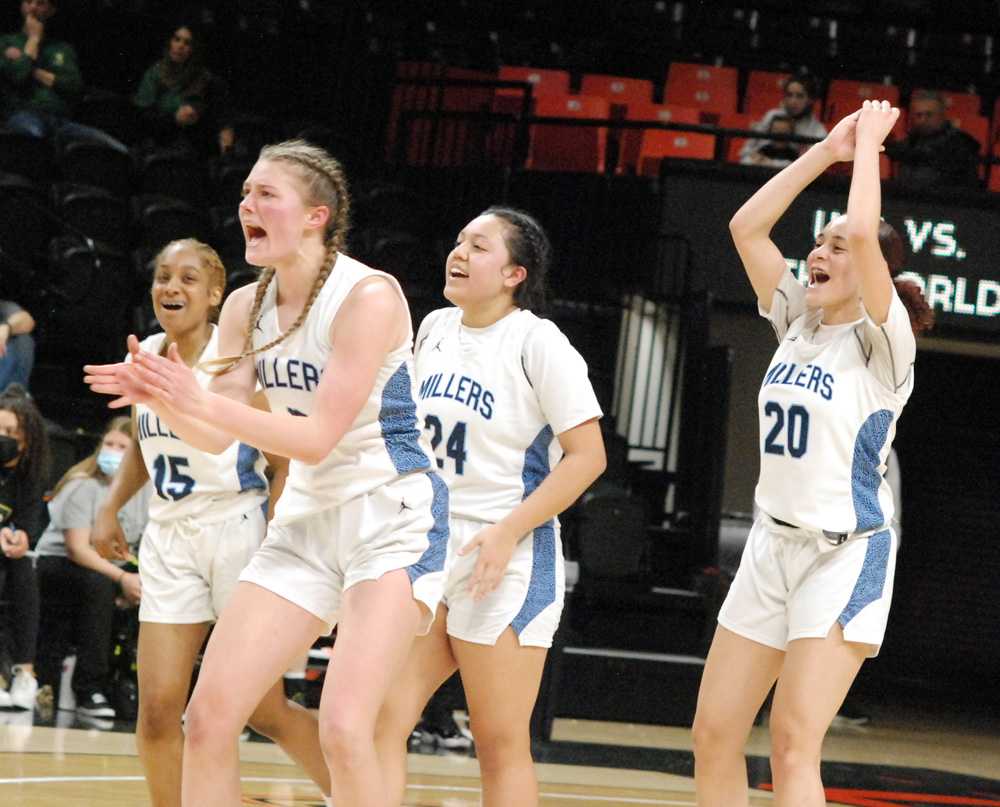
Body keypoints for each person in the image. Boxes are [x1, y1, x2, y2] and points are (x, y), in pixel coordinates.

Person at [85, 140, 449, 807]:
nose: (246, 204)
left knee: (344, 726)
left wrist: (195, 395)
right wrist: (166, 397)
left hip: (391, 519)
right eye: (245, 192)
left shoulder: (368, 295)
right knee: (211, 716)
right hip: (306, 523)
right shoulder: (244, 306)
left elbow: (315, 438)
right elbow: (216, 432)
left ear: (315, 215)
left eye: (266, 194)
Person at [693, 100, 935, 806]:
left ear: (873, 273)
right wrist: (825, 152)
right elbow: (746, 226)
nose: (820, 254)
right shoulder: (797, 319)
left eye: (835, 248)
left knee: (794, 743)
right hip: (772, 546)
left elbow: (865, 229)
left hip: (844, 554)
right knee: (712, 734)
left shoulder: (884, 344)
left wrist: (868, 151)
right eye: (818, 244)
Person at [374, 207, 607, 806]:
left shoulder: (539, 342)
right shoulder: (432, 328)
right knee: (379, 721)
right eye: (458, 241)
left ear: (514, 273)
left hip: (508, 555)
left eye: (479, 246)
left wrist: (507, 532)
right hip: (430, 546)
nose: (459, 252)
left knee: (499, 745)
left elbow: (587, 457)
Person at [87, 238, 332, 807]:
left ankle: (360, 793)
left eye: (188, 278)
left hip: (236, 531)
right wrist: (108, 505)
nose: (171, 287)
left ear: (216, 293)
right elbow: (143, 446)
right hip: (169, 538)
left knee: (266, 710)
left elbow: (284, 457)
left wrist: (278, 523)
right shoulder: (145, 352)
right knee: (155, 714)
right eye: (163, 276)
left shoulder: (238, 362)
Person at [34, 416, 149, 719]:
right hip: (60, 563)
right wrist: (122, 578)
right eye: (108, 444)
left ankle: (131, 688)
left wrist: (135, 579)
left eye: (121, 446)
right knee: (98, 585)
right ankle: (88, 689)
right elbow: (77, 548)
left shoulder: (145, 493)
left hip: (111, 566)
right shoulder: (82, 484)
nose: (112, 450)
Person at [0, 0, 126, 151]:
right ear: (21, 6)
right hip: (24, 115)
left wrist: (31, 67)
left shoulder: (63, 48)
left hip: (61, 121)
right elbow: (18, 75)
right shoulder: (6, 42)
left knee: (117, 150)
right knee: (37, 143)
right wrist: (33, 39)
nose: (33, 7)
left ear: (51, 10)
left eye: (40, 3)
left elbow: (74, 87)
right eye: (28, 2)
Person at [0, 384, 49, 710]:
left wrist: (20, 537)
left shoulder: (30, 473)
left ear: (26, 440)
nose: (2, 436)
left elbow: (28, 524)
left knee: (23, 570)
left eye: (10, 432)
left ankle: (25, 673)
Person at [133, 23, 235, 157]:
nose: (180, 46)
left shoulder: (206, 79)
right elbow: (142, 117)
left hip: (195, 148)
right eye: (177, 39)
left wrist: (225, 131)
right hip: (159, 145)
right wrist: (174, 119)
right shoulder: (154, 75)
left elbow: (220, 117)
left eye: (187, 43)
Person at [885, 89, 980, 188]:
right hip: (907, 200)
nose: (923, 120)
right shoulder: (910, 141)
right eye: (918, 115)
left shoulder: (962, 143)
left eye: (929, 115)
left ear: (942, 115)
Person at [740, 73, 827, 165]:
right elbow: (745, 154)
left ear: (810, 100)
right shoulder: (771, 116)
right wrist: (753, 159)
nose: (793, 101)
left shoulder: (818, 131)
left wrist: (771, 163)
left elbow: (810, 167)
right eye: (789, 95)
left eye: (800, 96)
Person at [0, 299, 35, 393]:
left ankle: (12, 400)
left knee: (22, 340)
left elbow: (27, 320)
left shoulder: (3, 307)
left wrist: (6, 327)